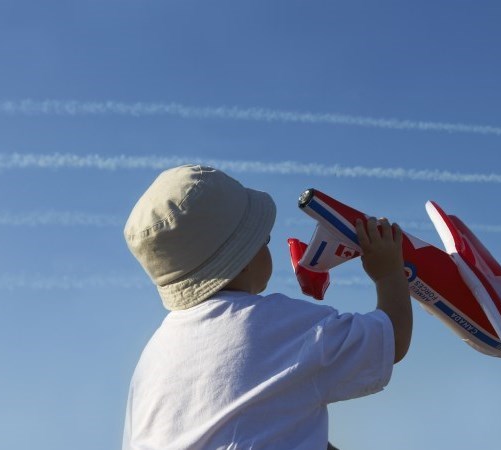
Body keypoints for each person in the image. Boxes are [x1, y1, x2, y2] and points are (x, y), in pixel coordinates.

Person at [122, 165, 412, 449]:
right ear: (243, 257)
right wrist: (388, 272)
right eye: (265, 239)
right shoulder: (276, 324)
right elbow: (392, 339)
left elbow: (265, 424)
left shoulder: (152, 360)